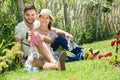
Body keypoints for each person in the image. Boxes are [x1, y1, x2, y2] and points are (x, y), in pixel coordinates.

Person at [14, 4, 66, 70]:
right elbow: (18, 45)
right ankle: (56, 66)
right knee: (39, 61)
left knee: (39, 39)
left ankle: (53, 61)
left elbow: (51, 31)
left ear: (35, 15)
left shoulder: (39, 23)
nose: (30, 17)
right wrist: (21, 61)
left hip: (44, 51)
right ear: (24, 14)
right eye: (27, 15)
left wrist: (66, 33)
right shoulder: (19, 27)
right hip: (32, 55)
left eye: (32, 15)